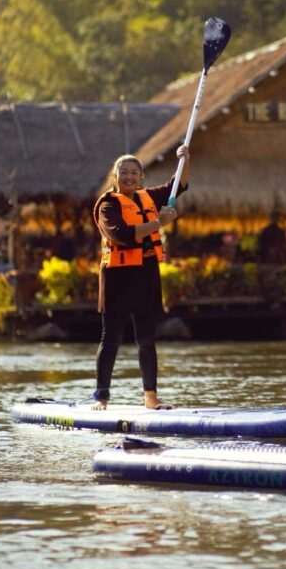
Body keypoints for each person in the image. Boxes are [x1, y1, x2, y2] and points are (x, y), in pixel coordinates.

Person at [91, 145, 189, 410]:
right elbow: (120, 235)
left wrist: (184, 159)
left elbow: (176, 185)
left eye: (134, 172)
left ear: (141, 177)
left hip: (145, 274)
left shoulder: (148, 197)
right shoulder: (108, 205)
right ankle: (101, 397)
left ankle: (151, 397)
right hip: (117, 278)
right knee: (110, 337)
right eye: (124, 172)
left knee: (147, 337)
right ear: (115, 176)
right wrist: (159, 224)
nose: (129, 176)